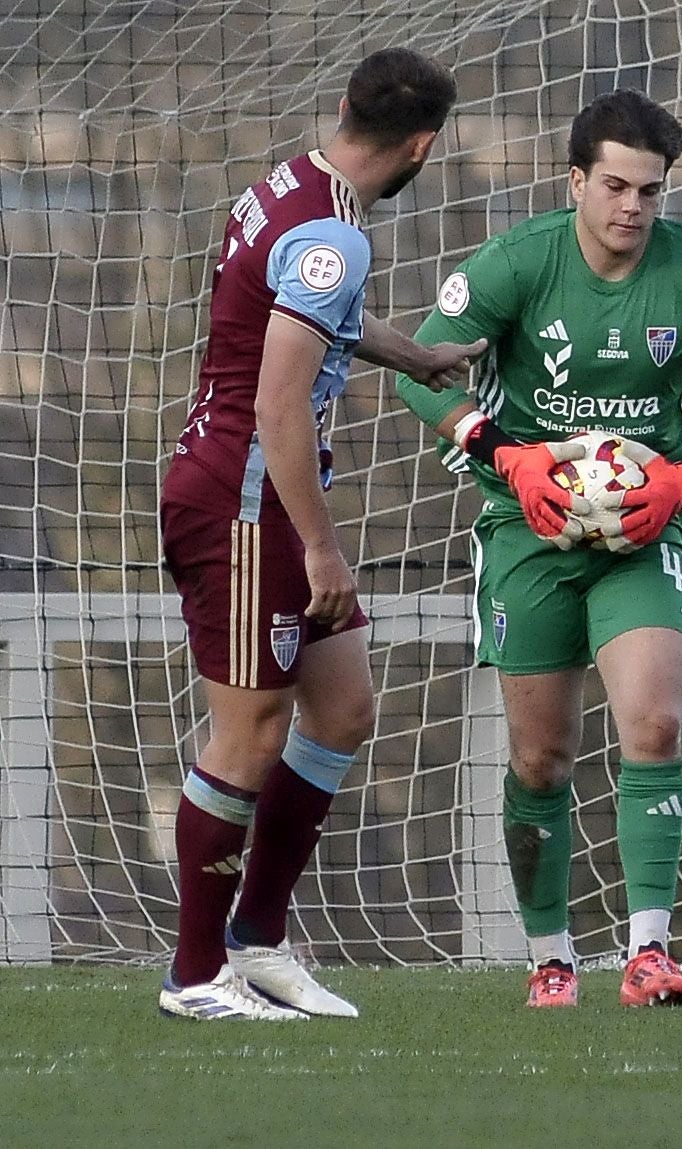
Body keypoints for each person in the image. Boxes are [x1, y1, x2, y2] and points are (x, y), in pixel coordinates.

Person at [396, 89, 682, 1008]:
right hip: (523, 532)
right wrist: (507, 455)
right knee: (540, 759)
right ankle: (551, 958)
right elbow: (422, 371)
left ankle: (648, 953)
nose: (632, 208)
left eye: (650, 191)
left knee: (653, 724)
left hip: (641, 533)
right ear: (575, 179)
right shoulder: (517, 263)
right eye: (614, 185)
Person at [159, 48, 485, 1020]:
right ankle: (194, 974)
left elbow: (307, 310)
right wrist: (323, 546)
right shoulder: (336, 238)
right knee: (250, 734)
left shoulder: (290, 190)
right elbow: (280, 405)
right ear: (423, 145)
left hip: (255, 492)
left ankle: (257, 942)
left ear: (344, 107)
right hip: (247, 502)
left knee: (341, 712)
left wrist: (415, 354)